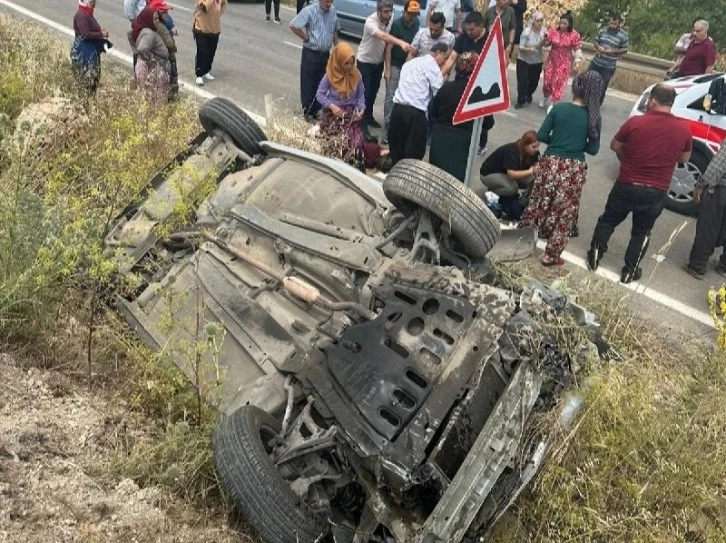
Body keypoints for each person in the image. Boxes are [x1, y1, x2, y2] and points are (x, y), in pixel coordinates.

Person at [586, 84, 692, 284]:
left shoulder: (635, 123)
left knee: (608, 221)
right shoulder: (683, 130)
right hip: (656, 191)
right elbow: (684, 158)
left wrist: (630, 156)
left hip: (627, 183)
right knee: (642, 231)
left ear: (652, 101)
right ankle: (629, 271)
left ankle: (594, 256)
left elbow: (614, 145)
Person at [520, 71, 603, 267]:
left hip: (550, 162)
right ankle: (550, 255)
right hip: (574, 168)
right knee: (565, 211)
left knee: (538, 201)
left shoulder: (559, 109)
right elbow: (593, 149)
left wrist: (557, 141)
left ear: (576, 87)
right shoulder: (594, 118)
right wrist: (574, 145)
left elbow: (541, 134)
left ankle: (522, 240)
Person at [388, 42, 449, 164]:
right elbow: (439, 93)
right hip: (415, 114)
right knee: (413, 154)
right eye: (445, 58)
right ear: (438, 53)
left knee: (396, 150)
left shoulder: (410, 63)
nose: (445, 62)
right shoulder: (433, 67)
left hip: (397, 110)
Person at [357, 0, 412, 132]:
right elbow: (382, 36)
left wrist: (387, 68)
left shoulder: (390, 18)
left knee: (373, 92)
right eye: (385, 12)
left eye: (390, 11)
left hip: (378, 62)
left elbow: (388, 43)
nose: (389, 14)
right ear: (378, 11)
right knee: (364, 93)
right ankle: (361, 125)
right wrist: (400, 42)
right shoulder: (371, 22)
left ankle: (368, 117)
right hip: (365, 61)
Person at [444, 11, 491, 156]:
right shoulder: (463, 37)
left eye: (472, 30)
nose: (468, 32)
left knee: (481, 117)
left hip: (481, 85)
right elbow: (452, 57)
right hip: (461, 81)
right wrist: (441, 75)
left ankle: (481, 144)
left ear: (480, 26)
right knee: (459, 113)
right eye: (467, 29)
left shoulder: (490, 39)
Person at [429, 51, 479, 182]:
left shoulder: (447, 88)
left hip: (440, 136)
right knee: (455, 182)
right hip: (462, 141)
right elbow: (487, 123)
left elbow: (434, 111)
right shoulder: (477, 93)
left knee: (435, 178)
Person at [315, 43, 366, 167]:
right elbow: (320, 95)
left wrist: (361, 108)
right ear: (338, 61)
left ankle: (349, 168)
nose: (349, 67)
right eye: (346, 63)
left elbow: (360, 95)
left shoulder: (356, 75)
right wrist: (332, 106)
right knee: (334, 145)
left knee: (354, 144)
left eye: (351, 63)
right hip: (333, 115)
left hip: (350, 115)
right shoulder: (329, 76)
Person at [290, 0, 340, 122]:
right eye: (327, 1)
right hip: (311, 53)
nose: (329, 4)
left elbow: (335, 29)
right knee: (308, 83)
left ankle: (316, 110)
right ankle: (307, 112)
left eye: (331, 1)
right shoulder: (310, 10)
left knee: (321, 83)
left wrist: (337, 47)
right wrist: (306, 37)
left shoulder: (333, 11)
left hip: (325, 54)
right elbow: (293, 25)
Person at [686, 140, 726, 280]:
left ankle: (697, 266)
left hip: (722, 191)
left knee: (708, 228)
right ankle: (724, 266)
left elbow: (718, 166)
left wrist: (701, 185)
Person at [478, 131, 540, 220]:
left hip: (506, 174)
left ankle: (515, 197)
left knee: (533, 179)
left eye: (538, 146)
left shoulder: (533, 152)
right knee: (512, 188)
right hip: (489, 174)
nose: (536, 149)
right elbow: (512, 175)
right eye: (534, 147)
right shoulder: (512, 150)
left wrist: (536, 167)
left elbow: (537, 164)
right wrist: (531, 171)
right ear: (525, 145)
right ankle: (493, 192)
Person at [384, 1, 421, 136]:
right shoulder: (397, 24)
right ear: (404, 12)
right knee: (390, 95)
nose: (412, 17)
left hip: (409, 66)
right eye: (410, 14)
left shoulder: (417, 24)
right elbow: (388, 47)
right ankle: (388, 124)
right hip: (395, 63)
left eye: (415, 15)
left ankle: (398, 124)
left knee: (404, 96)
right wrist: (387, 69)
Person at [131, 2, 172, 107]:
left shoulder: (147, 30)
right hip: (153, 70)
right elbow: (142, 49)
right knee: (154, 99)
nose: (157, 21)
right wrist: (153, 62)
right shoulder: (149, 34)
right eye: (154, 19)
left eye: (157, 18)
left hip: (151, 69)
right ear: (148, 19)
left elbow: (131, 37)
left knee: (149, 97)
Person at [540, 11, 582, 110]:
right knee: (547, 81)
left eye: (565, 24)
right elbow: (546, 44)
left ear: (569, 24)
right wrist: (545, 39)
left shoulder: (574, 35)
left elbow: (577, 48)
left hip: (564, 61)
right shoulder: (553, 31)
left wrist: (577, 61)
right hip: (552, 60)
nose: (562, 25)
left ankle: (554, 102)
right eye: (561, 23)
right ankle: (546, 96)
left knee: (559, 82)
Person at [71, 0, 111, 97]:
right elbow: (85, 34)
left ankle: (89, 98)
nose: (95, 3)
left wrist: (100, 32)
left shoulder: (87, 13)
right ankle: (85, 100)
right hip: (84, 52)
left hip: (90, 50)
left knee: (94, 76)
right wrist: (101, 34)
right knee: (88, 77)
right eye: (93, 1)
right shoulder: (81, 15)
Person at [587, 14, 628, 104]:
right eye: (610, 23)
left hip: (608, 66)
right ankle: (585, 99)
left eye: (614, 24)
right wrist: (599, 47)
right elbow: (595, 41)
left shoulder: (623, 35)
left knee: (602, 86)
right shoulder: (603, 30)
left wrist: (613, 51)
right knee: (587, 79)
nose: (612, 26)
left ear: (619, 24)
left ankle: (597, 104)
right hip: (596, 61)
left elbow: (625, 49)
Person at [193, 0, 227, 87]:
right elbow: (205, 7)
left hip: (214, 28)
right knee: (202, 51)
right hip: (201, 28)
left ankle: (206, 70)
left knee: (211, 51)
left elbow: (224, 4)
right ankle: (199, 74)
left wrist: (218, 13)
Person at [514, 11, 545, 108]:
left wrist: (546, 42)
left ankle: (528, 93)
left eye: (541, 21)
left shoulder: (544, 32)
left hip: (536, 61)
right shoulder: (526, 32)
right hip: (523, 59)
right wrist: (528, 49)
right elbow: (520, 47)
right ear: (533, 21)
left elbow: (547, 43)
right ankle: (520, 101)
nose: (539, 23)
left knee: (534, 82)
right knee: (522, 81)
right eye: (538, 21)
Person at [124, 0, 147, 69]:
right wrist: (134, 21)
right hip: (141, 25)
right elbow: (127, 3)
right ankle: (138, 74)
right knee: (140, 51)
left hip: (148, 23)